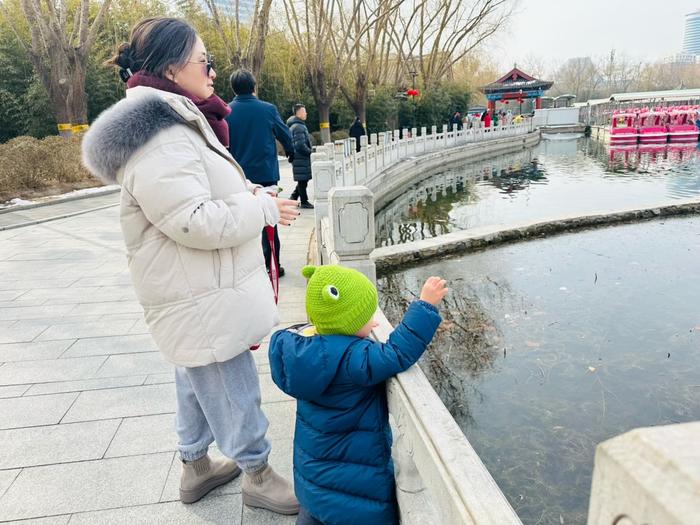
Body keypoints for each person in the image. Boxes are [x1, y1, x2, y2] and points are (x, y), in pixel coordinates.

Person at [81, 17, 300, 516]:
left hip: (193, 286)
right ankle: (258, 474)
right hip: (200, 289)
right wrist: (262, 209)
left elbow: (195, 195)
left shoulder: (173, 122)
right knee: (228, 375)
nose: (214, 72)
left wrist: (247, 194)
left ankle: (195, 465)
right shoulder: (161, 135)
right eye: (206, 62)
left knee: (196, 369)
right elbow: (193, 220)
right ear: (173, 67)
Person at [269, 265, 448, 525]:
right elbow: (398, 352)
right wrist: (425, 306)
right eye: (367, 317)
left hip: (313, 480)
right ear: (349, 324)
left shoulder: (302, 350)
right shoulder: (354, 360)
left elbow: (334, 324)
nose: (373, 322)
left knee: (313, 512)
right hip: (354, 490)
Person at [226, 69, 295, 277]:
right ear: (254, 87)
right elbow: (285, 135)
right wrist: (291, 153)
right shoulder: (267, 109)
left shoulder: (226, 111)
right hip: (266, 175)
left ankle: (245, 267)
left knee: (243, 219)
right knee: (269, 220)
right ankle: (272, 264)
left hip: (238, 178)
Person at [287, 104, 314, 209]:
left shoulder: (297, 125)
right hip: (301, 157)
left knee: (303, 180)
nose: (306, 113)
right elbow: (300, 145)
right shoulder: (298, 126)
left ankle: (293, 197)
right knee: (303, 180)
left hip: (299, 158)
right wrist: (310, 152)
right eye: (304, 111)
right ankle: (304, 201)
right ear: (298, 113)